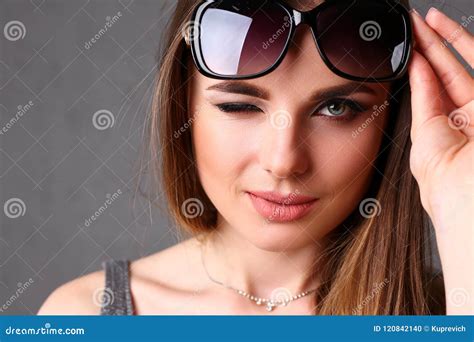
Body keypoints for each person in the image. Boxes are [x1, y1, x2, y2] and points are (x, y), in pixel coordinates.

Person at [38, 0, 473, 315]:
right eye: (240, 106)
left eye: (337, 109)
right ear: (182, 108)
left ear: (393, 122)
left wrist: (463, 211)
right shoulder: (84, 315)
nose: (284, 161)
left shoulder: (450, 307)